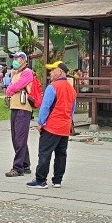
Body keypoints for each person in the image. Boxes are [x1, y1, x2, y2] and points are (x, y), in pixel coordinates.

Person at [27, 61, 77, 189]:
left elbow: (45, 107)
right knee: (61, 154)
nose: (50, 72)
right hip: (65, 127)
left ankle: (40, 180)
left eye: (53, 70)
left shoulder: (53, 87)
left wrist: (40, 122)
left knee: (45, 153)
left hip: (51, 126)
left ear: (60, 71)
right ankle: (57, 180)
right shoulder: (72, 90)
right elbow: (72, 109)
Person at [4, 51, 34, 178]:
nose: (14, 60)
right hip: (15, 106)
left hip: (23, 108)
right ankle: (25, 163)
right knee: (16, 137)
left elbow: (15, 87)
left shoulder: (27, 72)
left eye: (16, 58)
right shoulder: (17, 73)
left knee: (19, 138)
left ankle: (18, 168)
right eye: (14, 58)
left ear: (23, 59)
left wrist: (9, 90)